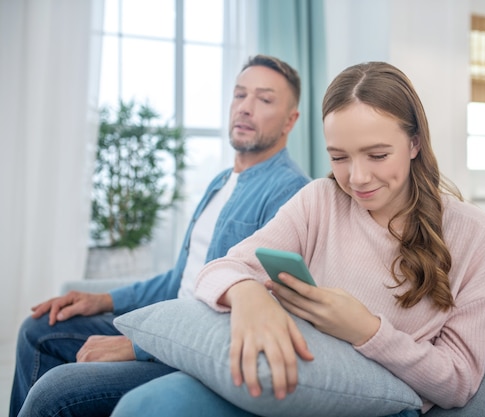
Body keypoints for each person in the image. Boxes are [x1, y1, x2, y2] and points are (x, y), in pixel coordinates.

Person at [111, 61, 485, 417]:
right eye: (339, 157)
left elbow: (459, 382)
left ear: (415, 143)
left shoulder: (472, 234)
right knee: (146, 406)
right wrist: (247, 295)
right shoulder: (321, 199)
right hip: (288, 372)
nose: (357, 178)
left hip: (374, 401)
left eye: (377, 155)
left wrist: (366, 330)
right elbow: (221, 269)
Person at [11, 54, 311, 417]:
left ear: (290, 121)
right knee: (37, 329)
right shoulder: (220, 182)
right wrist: (102, 299)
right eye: (239, 95)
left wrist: (138, 347)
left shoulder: (291, 193)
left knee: (54, 394)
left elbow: (258, 310)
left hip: (191, 351)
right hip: (168, 325)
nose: (245, 108)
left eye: (264, 100)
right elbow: (178, 281)